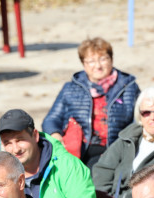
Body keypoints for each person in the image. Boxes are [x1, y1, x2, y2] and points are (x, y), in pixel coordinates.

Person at [42, 37, 140, 167]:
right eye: (91, 61)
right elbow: (51, 119)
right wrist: (56, 135)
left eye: (103, 59)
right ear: (84, 64)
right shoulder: (71, 88)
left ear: (111, 60)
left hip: (115, 148)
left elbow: (138, 121)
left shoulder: (128, 87)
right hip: (77, 149)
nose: (98, 66)